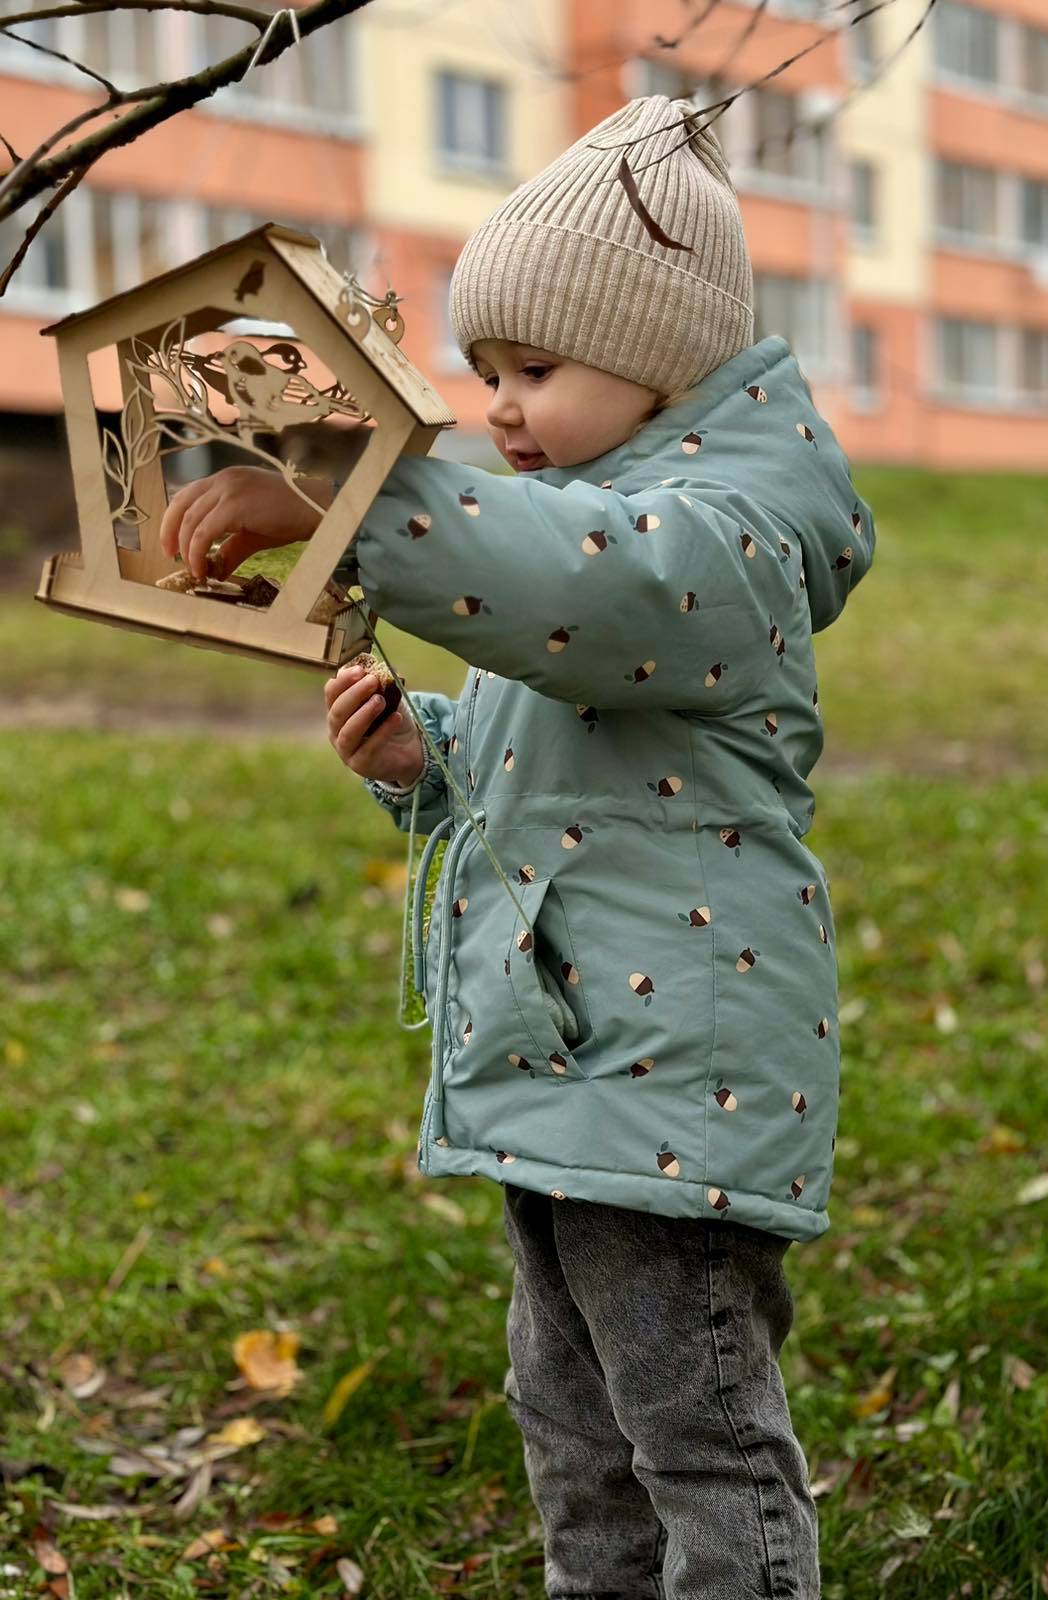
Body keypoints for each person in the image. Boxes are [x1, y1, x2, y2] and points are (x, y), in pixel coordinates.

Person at [159, 94, 875, 1600]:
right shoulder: (584, 525)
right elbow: (559, 749)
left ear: (660, 358)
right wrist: (425, 759)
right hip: (572, 1058)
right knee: (568, 1417)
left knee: (694, 1423)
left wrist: (345, 490)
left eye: (532, 370)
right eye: (482, 372)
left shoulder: (720, 538)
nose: (494, 406)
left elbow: (583, 597)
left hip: (674, 1076)